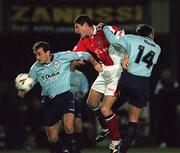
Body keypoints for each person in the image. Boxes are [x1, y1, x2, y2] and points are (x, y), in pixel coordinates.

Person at [17, 41, 102, 153]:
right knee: (52, 138)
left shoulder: (63, 56)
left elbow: (85, 54)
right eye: (36, 55)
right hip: (48, 101)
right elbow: (30, 83)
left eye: (39, 54)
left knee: (69, 126)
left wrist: (95, 63)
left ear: (48, 52)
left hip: (65, 97)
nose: (37, 57)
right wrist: (23, 90)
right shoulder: (35, 68)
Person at [101, 24, 161, 153]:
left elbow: (112, 40)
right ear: (150, 34)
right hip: (142, 82)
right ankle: (122, 151)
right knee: (133, 120)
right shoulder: (157, 48)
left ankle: (103, 118)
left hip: (127, 78)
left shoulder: (131, 38)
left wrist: (105, 28)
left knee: (115, 101)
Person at [73, 14, 126, 153]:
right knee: (91, 103)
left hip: (116, 71)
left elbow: (126, 40)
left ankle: (116, 142)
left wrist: (126, 57)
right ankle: (105, 126)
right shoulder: (84, 40)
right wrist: (76, 61)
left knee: (105, 109)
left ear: (85, 25)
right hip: (104, 71)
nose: (76, 31)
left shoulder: (106, 29)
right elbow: (75, 55)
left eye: (77, 27)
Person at [69, 63, 89, 153]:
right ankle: (69, 146)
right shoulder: (62, 74)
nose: (70, 64)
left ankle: (78, 148)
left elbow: (85, 87)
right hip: (65, 102)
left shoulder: (80, 75)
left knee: (78, 125)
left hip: (76, 102)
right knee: (67, 125)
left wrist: (81, 92)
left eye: (72, 62)